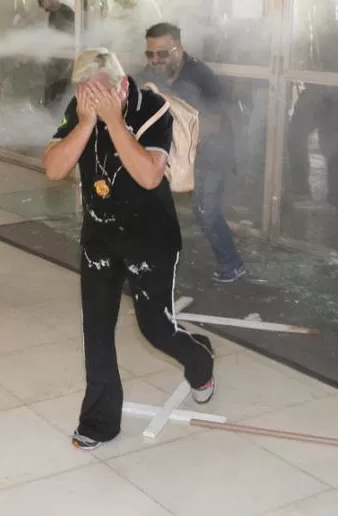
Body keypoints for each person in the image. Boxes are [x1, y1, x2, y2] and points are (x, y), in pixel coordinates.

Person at [43, 48, 215, 451]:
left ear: (121, 86)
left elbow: (149, 174)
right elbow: (53, 168)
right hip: (100, 236)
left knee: (154, 328)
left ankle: (199, 361)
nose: (89, 100)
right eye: (82, 94)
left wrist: (115, 121)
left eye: (97, 94)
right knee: (96, 328)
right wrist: (86, 121)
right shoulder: (81, 108)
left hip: (150, 236)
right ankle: (99, 420)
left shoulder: (151, 108)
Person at [144, 22, 245, 283]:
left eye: (162, 54)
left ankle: (231, 264)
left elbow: (214, 124)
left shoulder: (201, 75)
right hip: (177, 149)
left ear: (179, 49)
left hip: (212, 150)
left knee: (206, 210)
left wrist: (178, 121)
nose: (155, 60)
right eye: (150, 54)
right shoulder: (150, 73)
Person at [34, 0, 75, 108]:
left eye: (40, 1)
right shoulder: (52, 15)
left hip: (63, 72)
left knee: (57, 106)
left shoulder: (67, 13)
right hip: (54, 71)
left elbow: (73, 40)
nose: (39, 6)